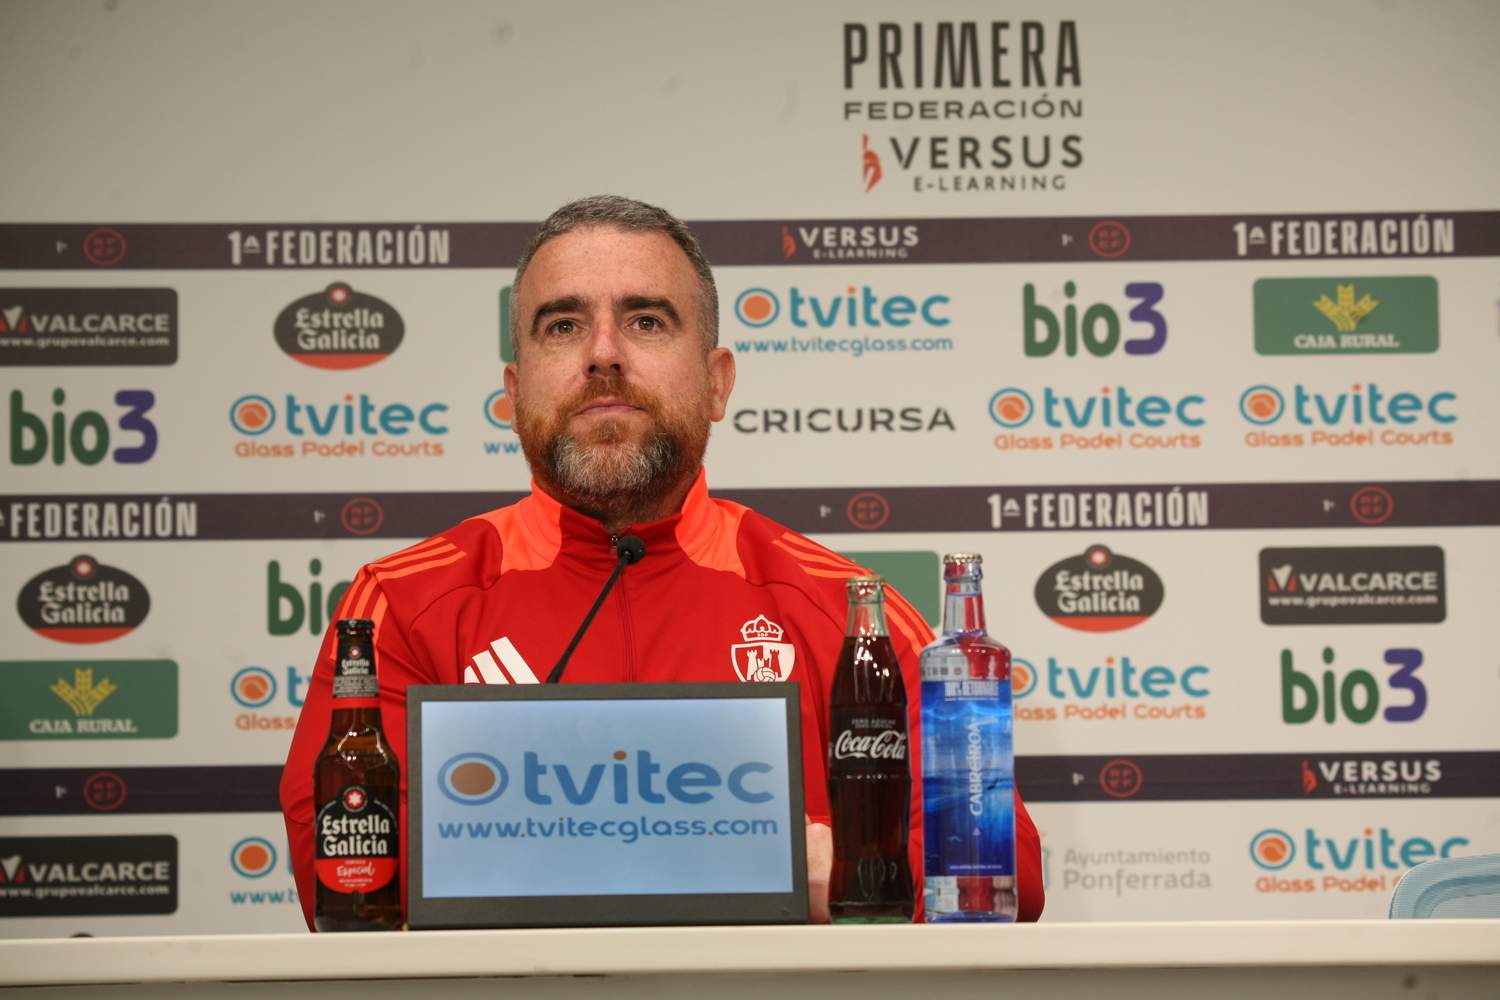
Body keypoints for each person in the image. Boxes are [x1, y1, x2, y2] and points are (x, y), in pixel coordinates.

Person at [279, 195, 1044, 928]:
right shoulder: (400, 605)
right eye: (563, 325)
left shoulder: (847, 610)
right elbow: (343, 879)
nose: (603, 354)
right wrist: (767, 860)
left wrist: (838, 876)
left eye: (646, 321)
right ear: (513, 393)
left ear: (717, 382)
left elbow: (1002, 873)